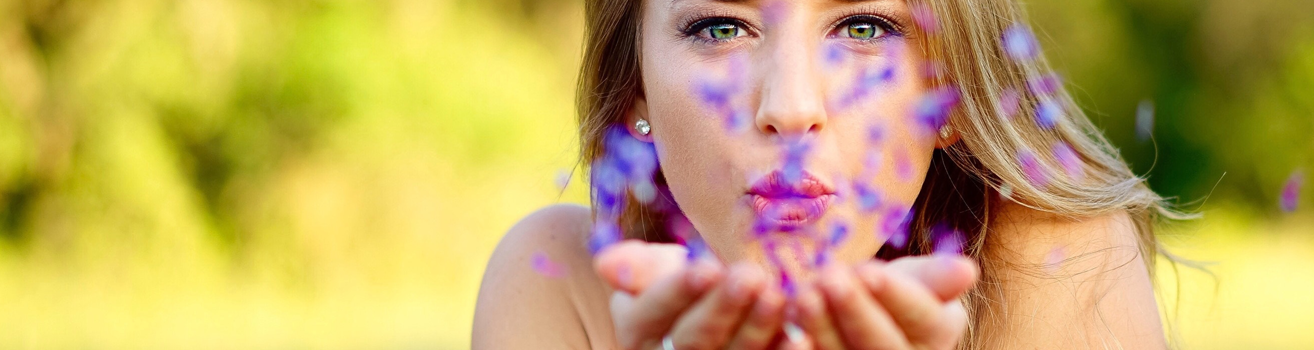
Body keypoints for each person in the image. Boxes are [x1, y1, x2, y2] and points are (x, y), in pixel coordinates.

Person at [476, 0, 1176, 348]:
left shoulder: (1058, 261)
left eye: (864, 27)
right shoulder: (561, 283)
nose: (791, 107)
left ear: (952, 92)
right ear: (635, 89)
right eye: (722, 27)